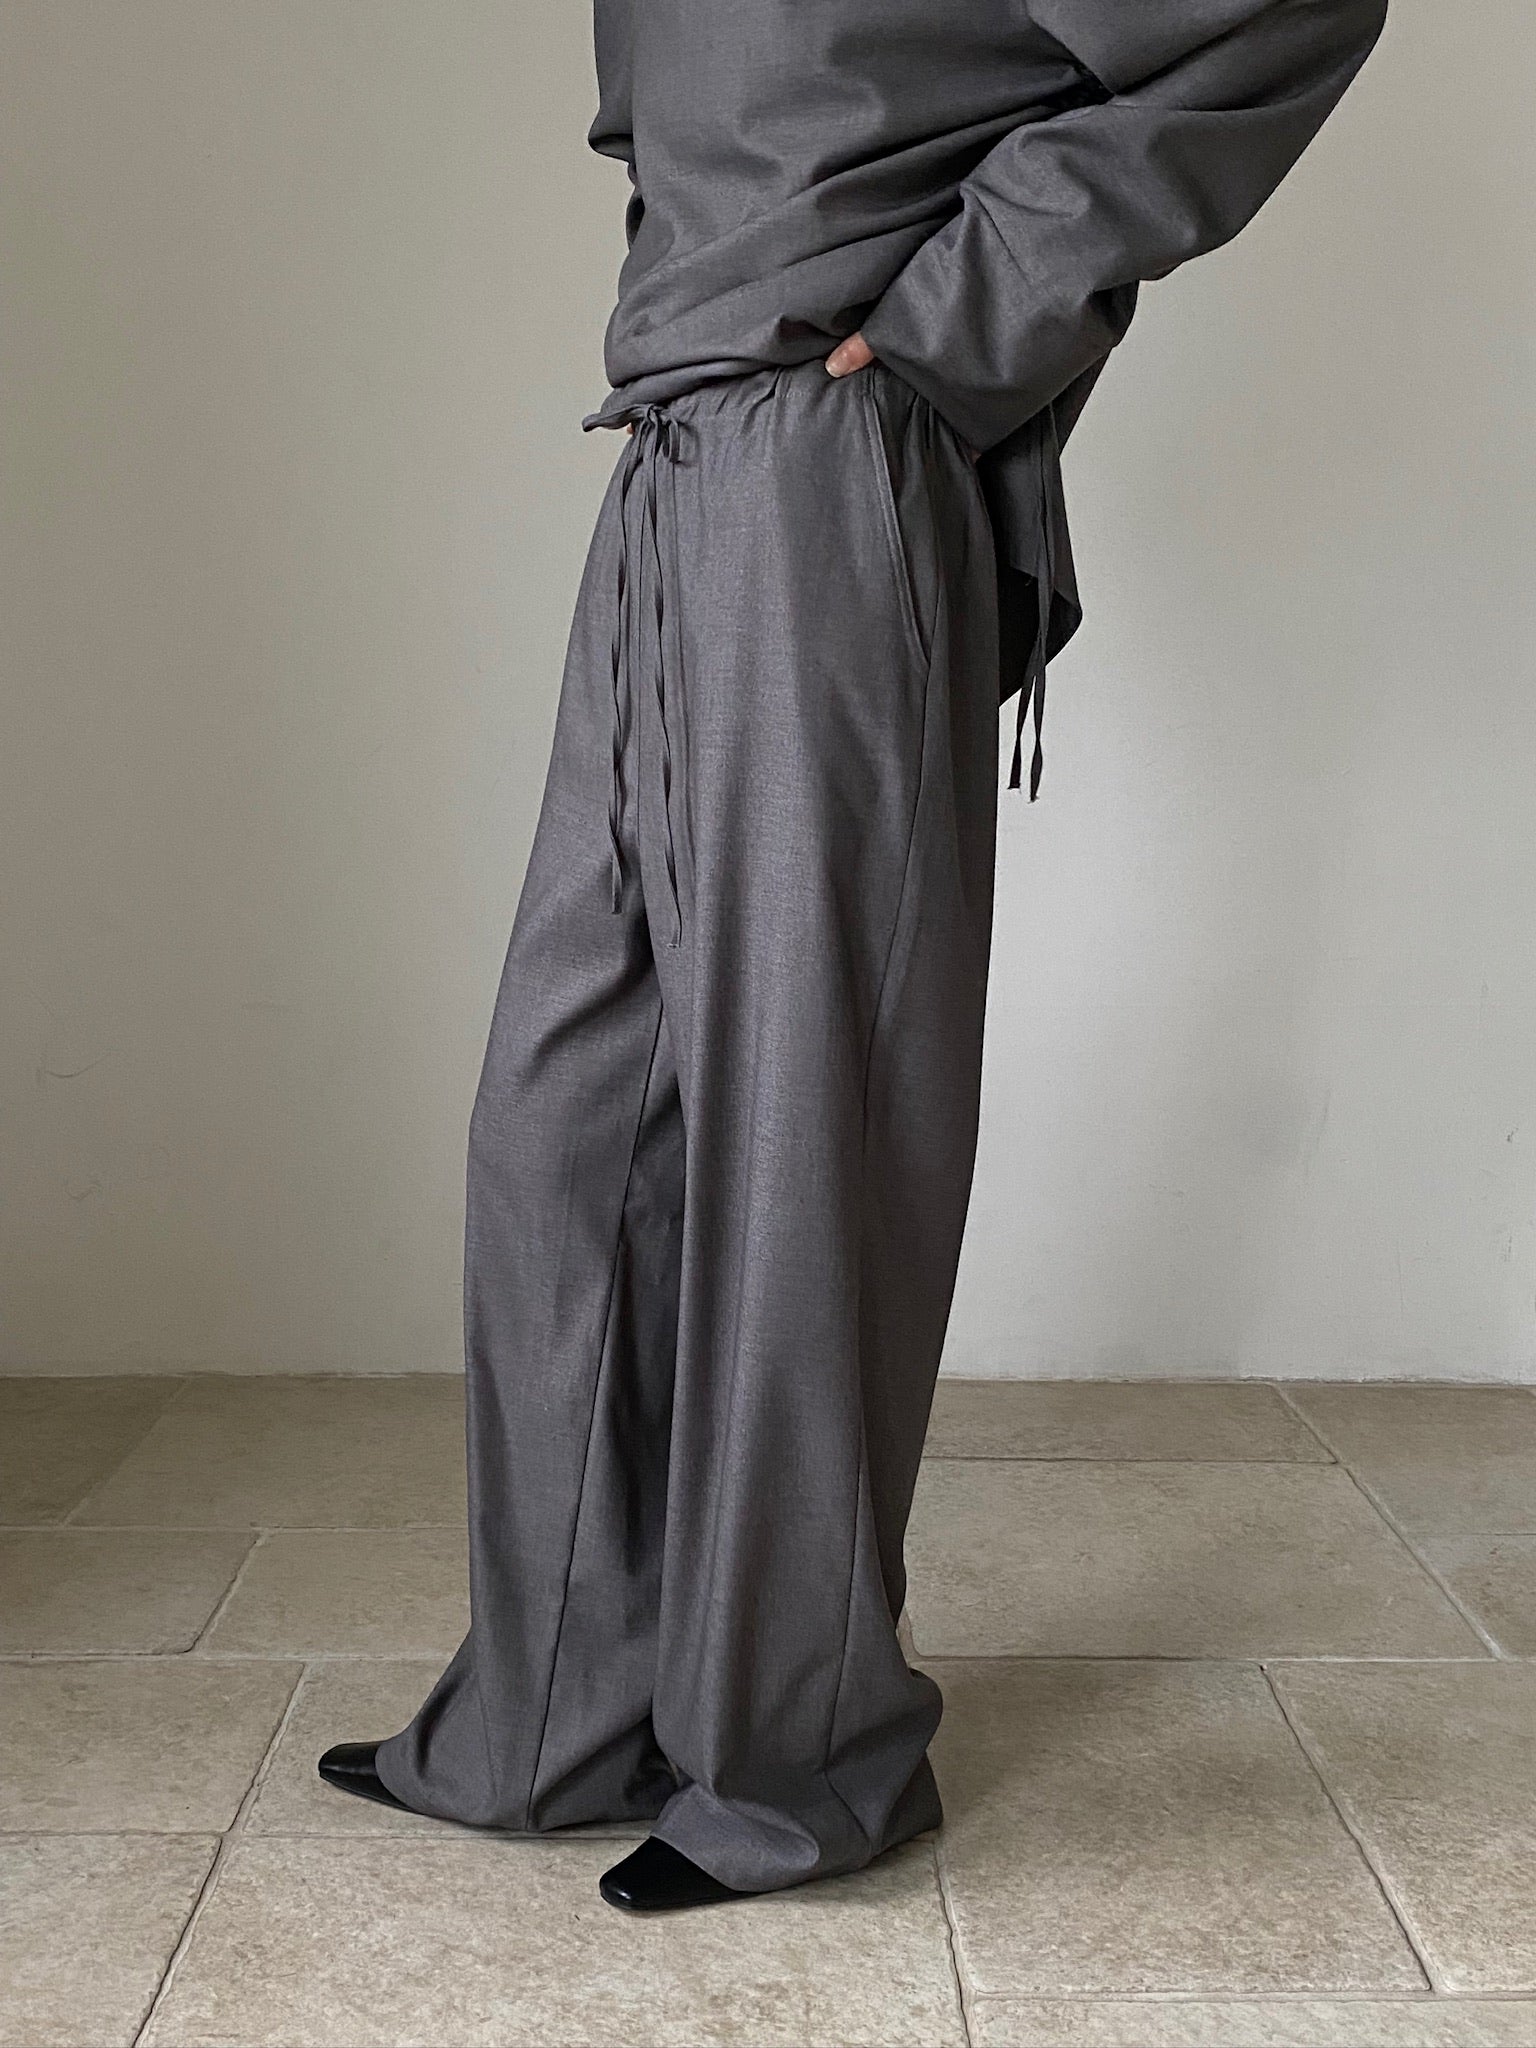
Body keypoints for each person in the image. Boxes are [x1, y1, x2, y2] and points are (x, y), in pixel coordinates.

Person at [320, 0, 1388, 1912]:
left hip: (824, 459)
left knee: (804, 1135)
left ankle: (798, 1762)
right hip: (671, 462)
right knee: (561, 1130)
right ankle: (555, 1713)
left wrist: (947, 333)